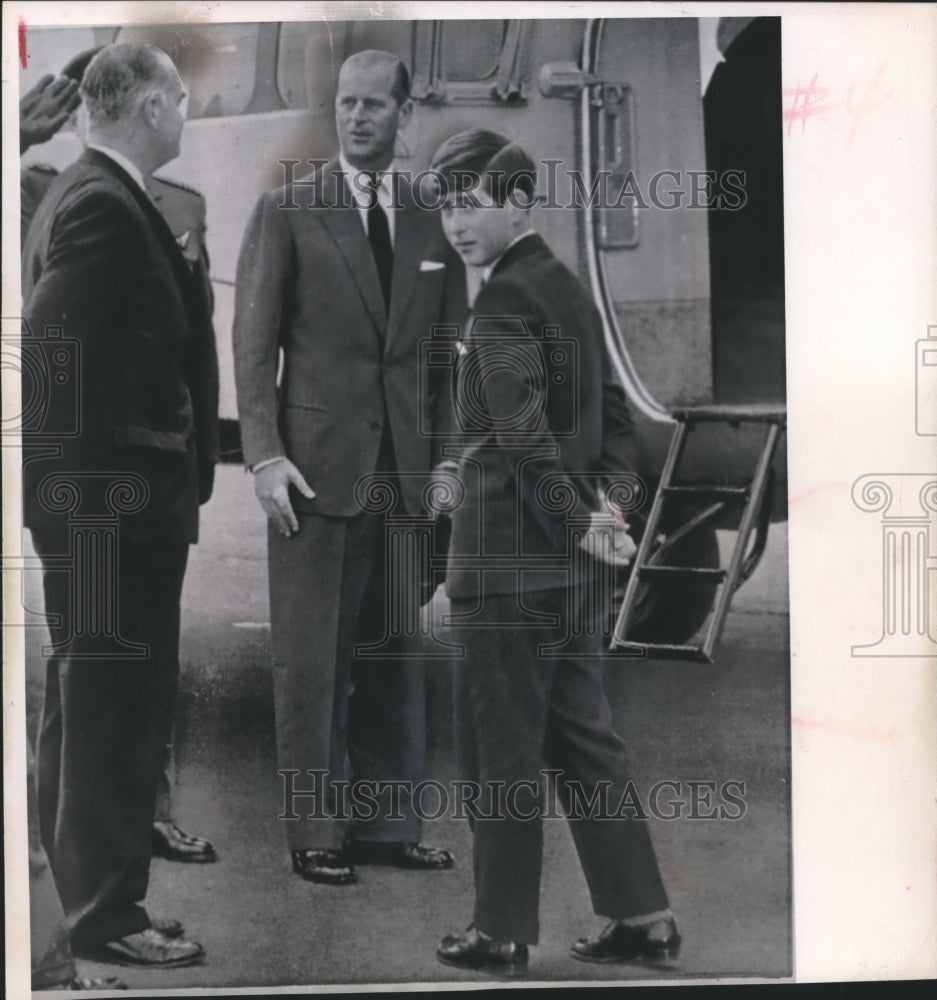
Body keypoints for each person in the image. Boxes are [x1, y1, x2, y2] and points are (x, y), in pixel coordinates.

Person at [429, 129, 681, 978]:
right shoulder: (565, 287)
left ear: (519, 204)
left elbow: (520, 435)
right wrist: (609, 511)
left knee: (497, 749)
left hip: (508, 566)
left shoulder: (500, 300)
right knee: (582, 740)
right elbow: (615, 417)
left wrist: (578, 517)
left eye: (472, 206)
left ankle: (499, 934)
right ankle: (642, 917)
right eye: (446, 208)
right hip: (573, 572)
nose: (457, 225)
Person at [233, 49, 462, 885]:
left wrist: (446, 466)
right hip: (317, 477)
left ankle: (390, 827)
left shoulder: (431, 221)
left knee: (398, 658)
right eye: (346, 104)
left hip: (405, 478)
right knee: (312, 663)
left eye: (373, 105)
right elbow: (253, 347)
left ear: (405, 115)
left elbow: (446, 358)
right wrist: (264, 455)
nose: (357, 117)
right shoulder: (288, 210)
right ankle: (316, 834)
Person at [22, 43, 218, 967]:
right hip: (109, 511)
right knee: (112, 708)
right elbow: (53, 350)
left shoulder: (81, 191)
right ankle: (107, 917)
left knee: (89, 702)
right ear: (146, 107)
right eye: (179, 99)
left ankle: (91, 903)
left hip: (104, 504)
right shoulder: (103, 201)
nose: (188, 112)